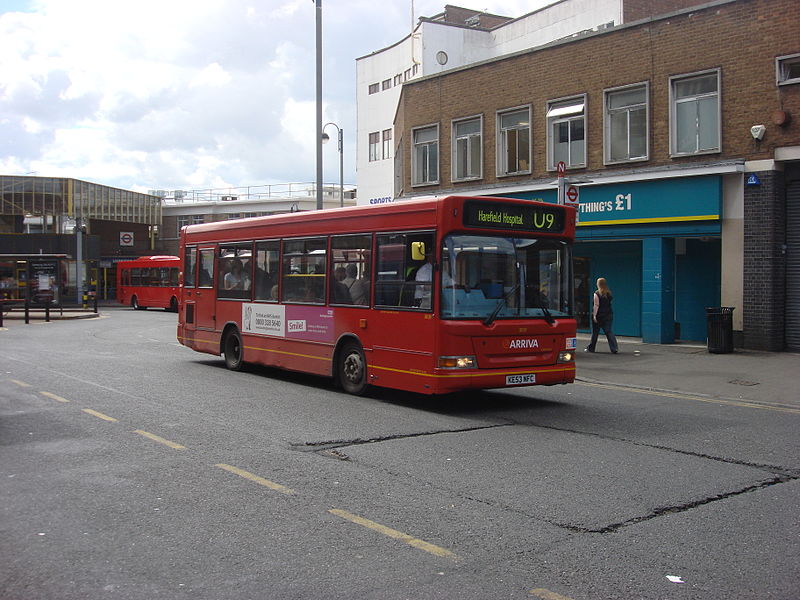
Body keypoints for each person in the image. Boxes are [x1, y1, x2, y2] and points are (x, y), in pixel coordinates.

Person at [585, 277, 619, 353]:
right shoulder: (609, 293)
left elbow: (596, 305)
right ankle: (614, 348)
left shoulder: (597, 294)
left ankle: (591, 348)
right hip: (608, 315)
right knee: (608, 331)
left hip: (599, 315)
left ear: (598, 284)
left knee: (595, 332)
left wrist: (594, 315)